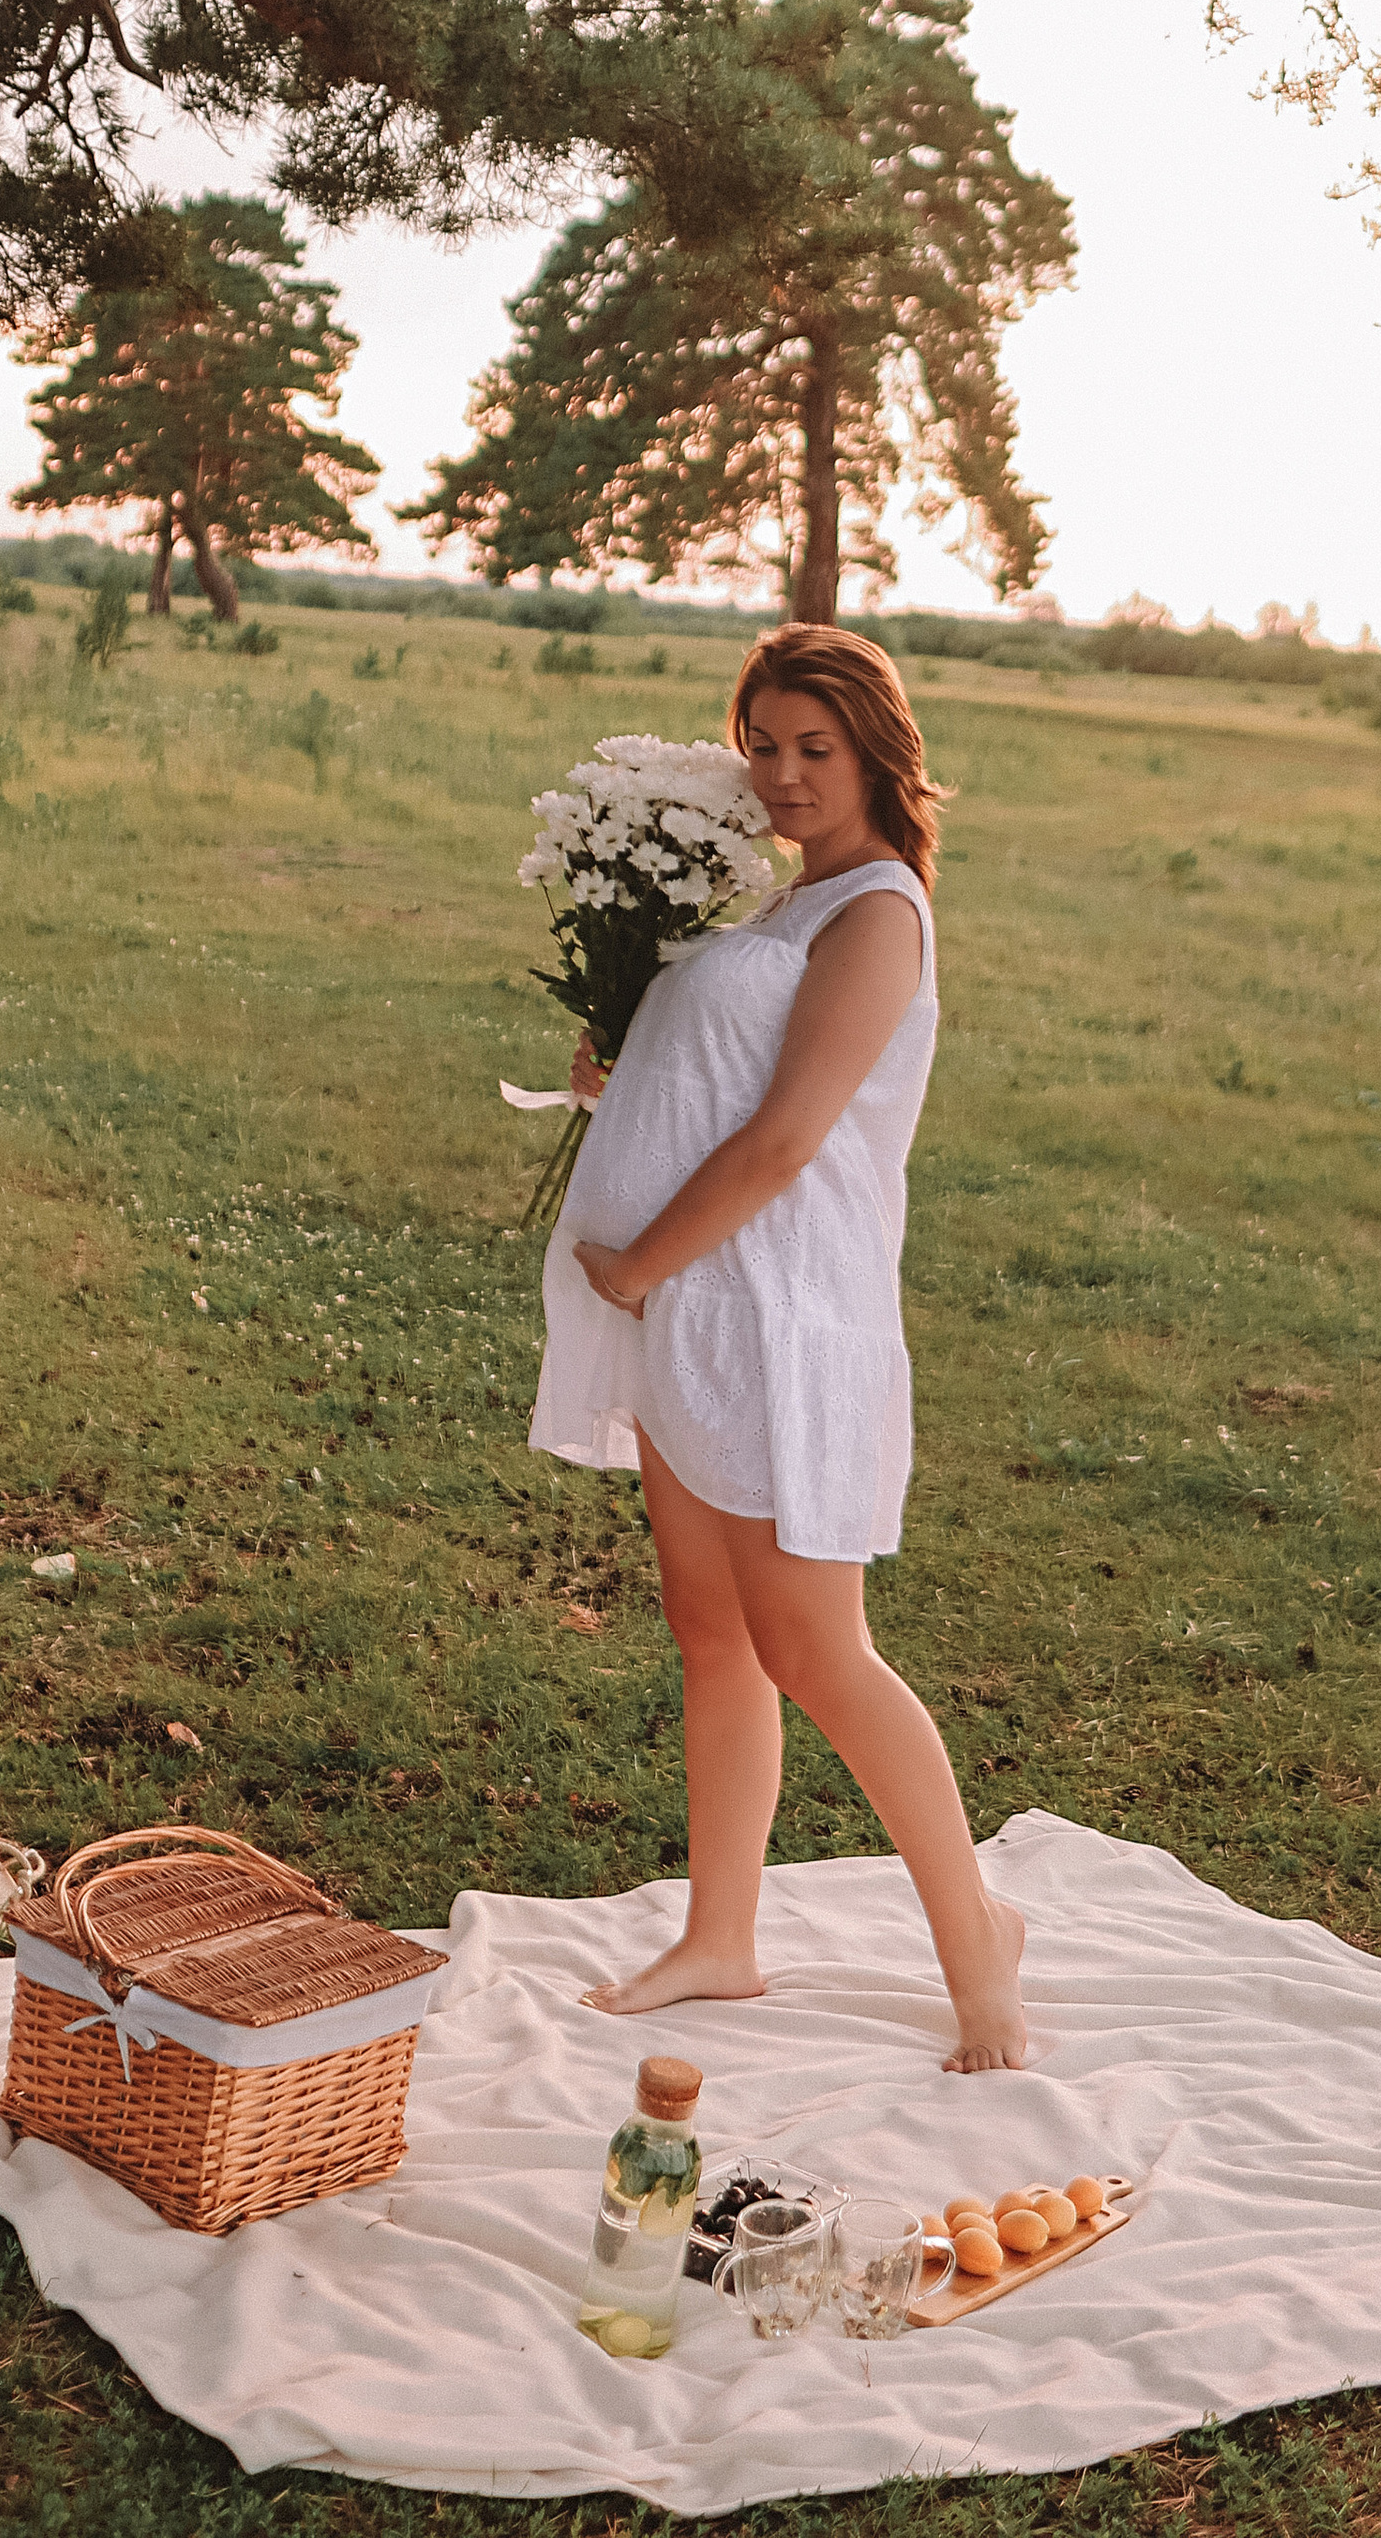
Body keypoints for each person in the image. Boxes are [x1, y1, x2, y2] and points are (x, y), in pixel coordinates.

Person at [528, 620, 1025, 2072]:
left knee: (817, 1647)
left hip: (784, 1316)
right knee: (713, 1631)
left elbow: (793, 1136)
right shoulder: (782, 899)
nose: (785, 774)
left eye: (817, 746)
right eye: (763, 744)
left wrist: (638, 1265)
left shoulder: (877, 914)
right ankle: (721, 1937)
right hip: (701, 1308)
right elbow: (724, 1082)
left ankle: (981, 1954)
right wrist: (618, 1073)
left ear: (879, 752)